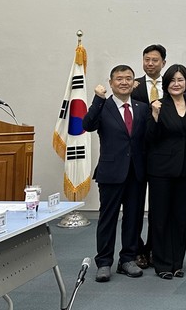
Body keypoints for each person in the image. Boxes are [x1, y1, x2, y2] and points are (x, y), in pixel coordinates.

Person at [82, 65, 148, 282]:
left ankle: (128, 259)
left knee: (133, 218)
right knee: (108, 218)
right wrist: (98, 99)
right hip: (111, 172)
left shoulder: (142, 108)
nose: (124, 82)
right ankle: (104, 262)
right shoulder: (103, 106)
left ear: (134, 83)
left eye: (128, 78)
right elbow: (87, 125)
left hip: (136, 172)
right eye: (119, 79)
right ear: (111, 83)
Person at [146, 64, 186, 279]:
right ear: (166, 83)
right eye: (172, 80)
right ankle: (162, 264)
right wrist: (154, 116)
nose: (176, 84)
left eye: (180, 80)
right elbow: (149, 138)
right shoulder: (158, 105)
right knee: (160, 217)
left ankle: (177, 262)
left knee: (180, 217)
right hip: (160, 170)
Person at [130, 43, 167, 269]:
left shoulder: (172, 85)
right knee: (134, 206)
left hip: (162, 155)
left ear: (163, 62)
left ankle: (154, 248)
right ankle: (136, 249)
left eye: (155, 60)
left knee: (158, 207)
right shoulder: (133, 86)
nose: (150, 64)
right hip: (137, 154)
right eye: (147, 60)